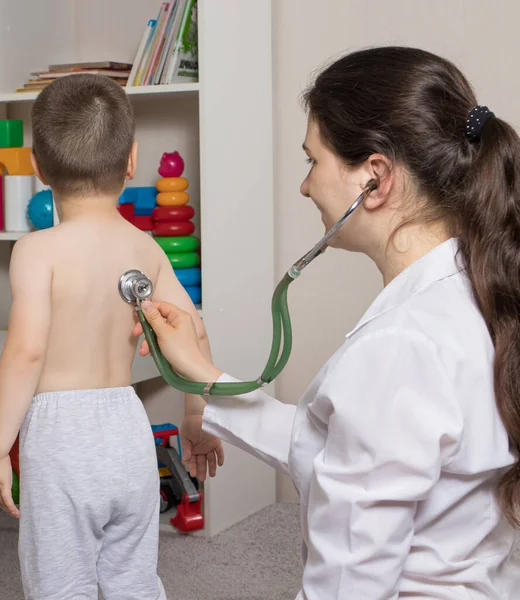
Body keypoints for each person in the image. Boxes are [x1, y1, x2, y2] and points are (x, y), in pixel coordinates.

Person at [134, 46, 520, 599]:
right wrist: (203, 378)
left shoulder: (400, 348)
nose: (305, 185)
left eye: (312, 161)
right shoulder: (475, 291)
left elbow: (346, 586)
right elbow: (332, 445)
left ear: (375, 178)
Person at [0, 73, 224, 600]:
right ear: (131, 160)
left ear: (39, 168)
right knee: (132, 574)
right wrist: (196, 418)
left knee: (60, 581)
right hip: (126, 431)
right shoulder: (147, 247)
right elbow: (192, 331)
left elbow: (26, 351)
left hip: (61, 441)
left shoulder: (36, 251)